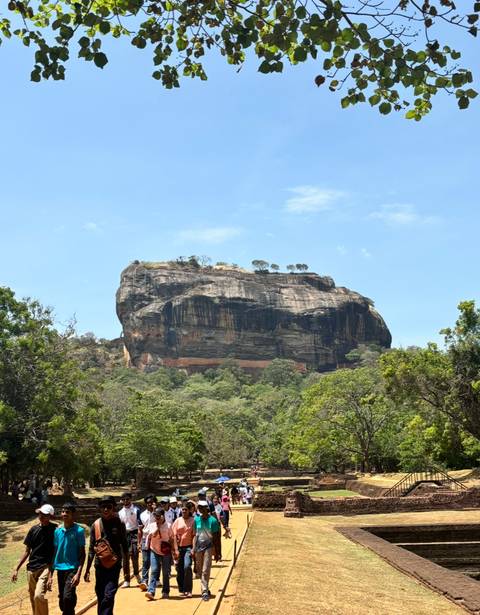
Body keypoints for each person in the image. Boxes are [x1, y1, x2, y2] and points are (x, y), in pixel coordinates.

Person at [84, 496, 130, 615]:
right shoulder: (96, 525)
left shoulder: (119, 523)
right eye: (103, 507)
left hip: (114, 566)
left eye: (109, 507)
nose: (106, 509)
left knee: (109, 595)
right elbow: (91, 549)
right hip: (99, 566)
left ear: (113, 508)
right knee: (100, 595)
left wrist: (127, 568)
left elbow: (125, 546)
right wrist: (87, 569)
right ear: (99, 508)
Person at [11, 503, 57, 615]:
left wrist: (51, 574)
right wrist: (16, 568)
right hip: (31, 569)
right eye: (40, 513)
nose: (40, 516)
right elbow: (27, 551)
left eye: (44, 514)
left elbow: (55, 553)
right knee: (33, 599)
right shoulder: (33, 529)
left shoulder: (55, 530)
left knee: (38, 596)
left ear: (50, 516)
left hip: (45, 567)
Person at [47, 503, 85, 615]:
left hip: (72, 568)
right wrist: (50, 574)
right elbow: (55, 553)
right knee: (63, 601)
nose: (64, 514)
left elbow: (82, 554)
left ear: (73, 514)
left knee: (67, 597)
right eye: (63, 511)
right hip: (60, 569)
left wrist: (78, 573)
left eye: (67, 512)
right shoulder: (57, 531)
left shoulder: (79, 531)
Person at [192, 500, 221, 602]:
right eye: (199, 507)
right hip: (198, 547)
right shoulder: (196, 520)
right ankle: (205, 587)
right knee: (199, 570)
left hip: (209, 547)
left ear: (206, 509)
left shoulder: (213, 521)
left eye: (202, 507)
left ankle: (204, 590)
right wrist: (193, 548)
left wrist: (218, 552)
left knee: (205, 569)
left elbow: (217, 538)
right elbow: (195, 535)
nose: (200, 509)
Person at [145, 508, 173, 601]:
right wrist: (158, 527)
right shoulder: (152, 525)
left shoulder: (169, 526)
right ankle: (151, 591)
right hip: (154, 550)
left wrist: (175, 551)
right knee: (154, 570)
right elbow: (153, 535)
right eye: (155, 516)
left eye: (158, 516)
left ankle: (165, 591)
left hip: (165, 552)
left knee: (165, 572)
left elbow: (172, 539)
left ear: (163, 515)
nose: (156, 517)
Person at [118, 493, 142, 587]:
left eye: (127, 499)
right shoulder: (120, 512)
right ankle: (126, 579)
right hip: (125, 534)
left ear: (130, 499)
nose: (125, 501)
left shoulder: (136, 510)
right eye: (123, 500)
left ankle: (136, 573)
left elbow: (140, 524)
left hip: (135, 533)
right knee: (125, 557)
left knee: (135, 554)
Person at [172, 502, 195, 598]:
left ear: (189, 510)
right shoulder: (177, 521)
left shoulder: (193, 521)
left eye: (186, 509)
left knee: (187, 567)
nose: (184, 511)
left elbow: (194, 536)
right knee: (179, 569)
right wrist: (176, 549)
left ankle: (188, 589)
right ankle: (181, 588)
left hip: (188, 547)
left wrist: (193, 549)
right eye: (183, 509)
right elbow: (173, 536)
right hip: (179, 548)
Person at [137, 494, 157, 591]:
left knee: (155, 561)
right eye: (148, 503)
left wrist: (155, 511)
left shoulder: (158, 513)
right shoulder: (142, 514)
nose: (150, 504)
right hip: (145, 539)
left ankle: (156, 579)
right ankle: (144, 581)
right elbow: (140, 529)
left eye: (152, 502)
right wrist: (139, 542)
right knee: (145, 561)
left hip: (156, 539)